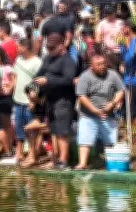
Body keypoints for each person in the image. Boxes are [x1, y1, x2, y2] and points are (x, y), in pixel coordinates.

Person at [74, 53, 126, 169]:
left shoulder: (113, 74)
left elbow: (121, 91)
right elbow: (81, 96)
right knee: (85, 140)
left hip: (108, 113)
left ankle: (112, 163)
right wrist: (95, 110)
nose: (102, 66)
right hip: (88, 114)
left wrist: (112, 103)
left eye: (104, 64)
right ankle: (82, 163)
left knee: (110, 141)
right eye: (98, 64)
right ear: (91, 66)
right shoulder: (85, 76)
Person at [35, 31, 77, 170]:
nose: (49, 50)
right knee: (53, 130)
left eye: (52, 48)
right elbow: (38, 75)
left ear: (61, 45)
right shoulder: (47, 59)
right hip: (50, 100)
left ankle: (63, 160)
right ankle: (56, 159)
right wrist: (32, 89)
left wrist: (48, 80)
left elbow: (68, 80)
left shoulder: (68, 60)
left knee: (62, 130)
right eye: (48, 47)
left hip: (64, 99)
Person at [10, 39, 42, 164]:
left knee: (31, 128)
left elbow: (38, 83)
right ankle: (19, 153)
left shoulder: (37, 62)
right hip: (17, 99)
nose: (17, 49)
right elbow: (15, 76)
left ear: (26, 47)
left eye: (19, 47)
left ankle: (32, 153)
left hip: (30, 101)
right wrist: (11, 88)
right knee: (18, 127)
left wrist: (34, 100)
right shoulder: (18, 60)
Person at [119, 22, 136, 143]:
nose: (121, 30)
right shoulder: (126, 42)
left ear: (128, 28)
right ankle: (128, 134)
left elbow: (129, 58)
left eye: (123, 27)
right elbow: (122, 58)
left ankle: (135, 137)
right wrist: (122, 45)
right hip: (126, 79)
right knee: (125, 109)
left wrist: (124, 45)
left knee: (133, 109)